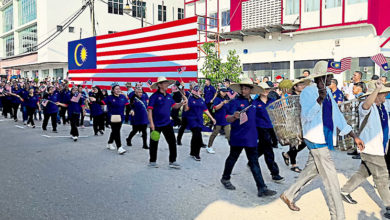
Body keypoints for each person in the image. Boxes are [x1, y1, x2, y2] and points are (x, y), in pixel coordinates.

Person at [280, 61, 364, 220]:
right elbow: (306, 117)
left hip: (326, 138)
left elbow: (337, 117)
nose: (331, 78)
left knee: (313, 170)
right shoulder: (308, 92)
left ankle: (289, 194)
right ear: (319, 77)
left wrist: (354, 136)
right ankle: (338, 216)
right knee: (332, 181)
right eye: (328, 76)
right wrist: (319, 100)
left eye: (331, 76)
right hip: (315, 139)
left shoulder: (328, 92)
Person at [340, 80, 390, 219]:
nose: (385, 95)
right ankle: (389, 206)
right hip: (371, 148)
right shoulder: (366, 107)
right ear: (375, 94)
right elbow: (367, 104)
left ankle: (344, 191)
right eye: (382, 94)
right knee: (382, 177)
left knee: (363, 172)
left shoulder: (383, 106)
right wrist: (376, 90)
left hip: (381, 147)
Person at [221, 78, 277, 197]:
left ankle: (262, 188)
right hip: (238, 136)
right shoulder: (235, 102)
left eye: (245, 88)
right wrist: (234, 116)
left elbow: (259, 120)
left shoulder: (255, 103)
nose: (243, 90)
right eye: (242, 88)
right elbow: (227, 118)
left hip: (251, 137)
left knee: (254, 162)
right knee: (233, 157)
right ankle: (225, 178)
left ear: (251, 90)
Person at [147, 76, 187, 168]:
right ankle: (152, 161)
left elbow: (174, 106)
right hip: (156, 124)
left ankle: (172, 161)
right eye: (165, 83)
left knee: (172, 142)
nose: (167, 85)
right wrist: (151, 124)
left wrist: (181, 103)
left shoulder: (169, 96)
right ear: (159, 85)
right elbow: (149, 110)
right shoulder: (154, 97)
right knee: (154, 143)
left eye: (167, 83)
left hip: (167, 123)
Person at [254, 82, 284, 182]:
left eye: (267, 89)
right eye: (263, 89)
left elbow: (277, 113)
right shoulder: (255, 103)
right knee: (268, 150)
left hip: (272, 128)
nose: (266, 90)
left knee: (263, 146)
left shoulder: (272, 101)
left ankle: (252, 159)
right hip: (261, 128)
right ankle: (275, 173)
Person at [281, 77, 311, 173]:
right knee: (294, 143)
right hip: (293, 122)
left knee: (305, 142)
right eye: (300, 84)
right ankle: (294, 164)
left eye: (303, 84)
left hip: (303, 121)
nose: (302, 86)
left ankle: (287, 154)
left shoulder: (305, 96)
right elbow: (285, 107)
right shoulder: (291, 97)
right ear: (295, 87)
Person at [184, 84, 215, 161]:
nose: (201, 92)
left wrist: (212, 118)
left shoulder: (201, 100)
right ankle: (196, 154)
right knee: (197, 135)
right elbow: (186, 109)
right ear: (195, 91)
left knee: (195, 136)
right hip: (192, 120)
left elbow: (205, 110)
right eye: (200, 91)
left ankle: (192, 152)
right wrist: (185, 103)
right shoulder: (190, 99)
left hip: (199, 121)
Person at [102, 85, 129, 155]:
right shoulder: (109, 98)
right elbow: (101, 102)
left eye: (119, 89)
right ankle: (119, 147)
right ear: (113, 90)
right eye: (116, 89)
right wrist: (94, 100)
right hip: (112, 117)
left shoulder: (123, 97)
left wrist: (132, 110)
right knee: (116, 131)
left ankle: (109, 143)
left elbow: (128, 105)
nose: (118, 90)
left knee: (115, 131)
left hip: (120, 117)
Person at [207, 85, 231, 154]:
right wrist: (222, 103)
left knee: (229, 135)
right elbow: (216, 108)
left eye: (225, 92)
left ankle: (233, 148)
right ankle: (209, 146)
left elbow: (229, 108)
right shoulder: (217, 99)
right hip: (218, 119)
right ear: (220, 91)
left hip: (226, 120)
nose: (224, 93)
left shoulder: (227, 98)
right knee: (214, 133)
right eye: (223, 91)